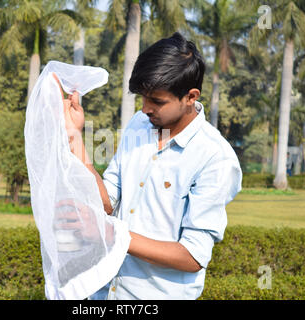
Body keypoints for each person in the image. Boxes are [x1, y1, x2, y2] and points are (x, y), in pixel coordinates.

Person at [60, 32, 242, 300]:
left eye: (157, 101)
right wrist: (74, 135)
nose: (145, 108)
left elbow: (192, 256)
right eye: (142, 97)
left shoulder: (215, 158)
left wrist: (111, 234)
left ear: (191, 96)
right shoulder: (139, 124)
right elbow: (108, 202)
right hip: (103, 293)